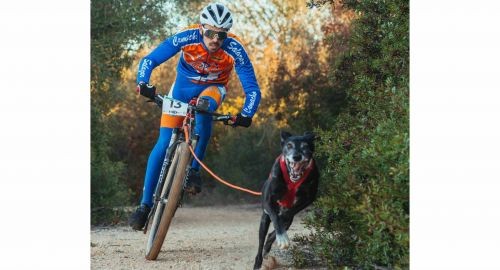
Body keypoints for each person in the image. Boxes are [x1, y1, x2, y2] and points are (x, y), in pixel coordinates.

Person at [129, 3, 261, 230]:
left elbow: (253, 90)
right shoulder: (186, 37)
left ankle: (194, 172)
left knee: (204, 108)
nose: (215, 39)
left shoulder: (235, 49)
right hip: (181, 90)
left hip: (213, 90)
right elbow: (149, 60)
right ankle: (144, 206)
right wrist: (143, 83)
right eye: (210, 33)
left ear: (226, 34)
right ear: (201, 28)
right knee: (163, 143)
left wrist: (246, 114)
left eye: (221, 35)